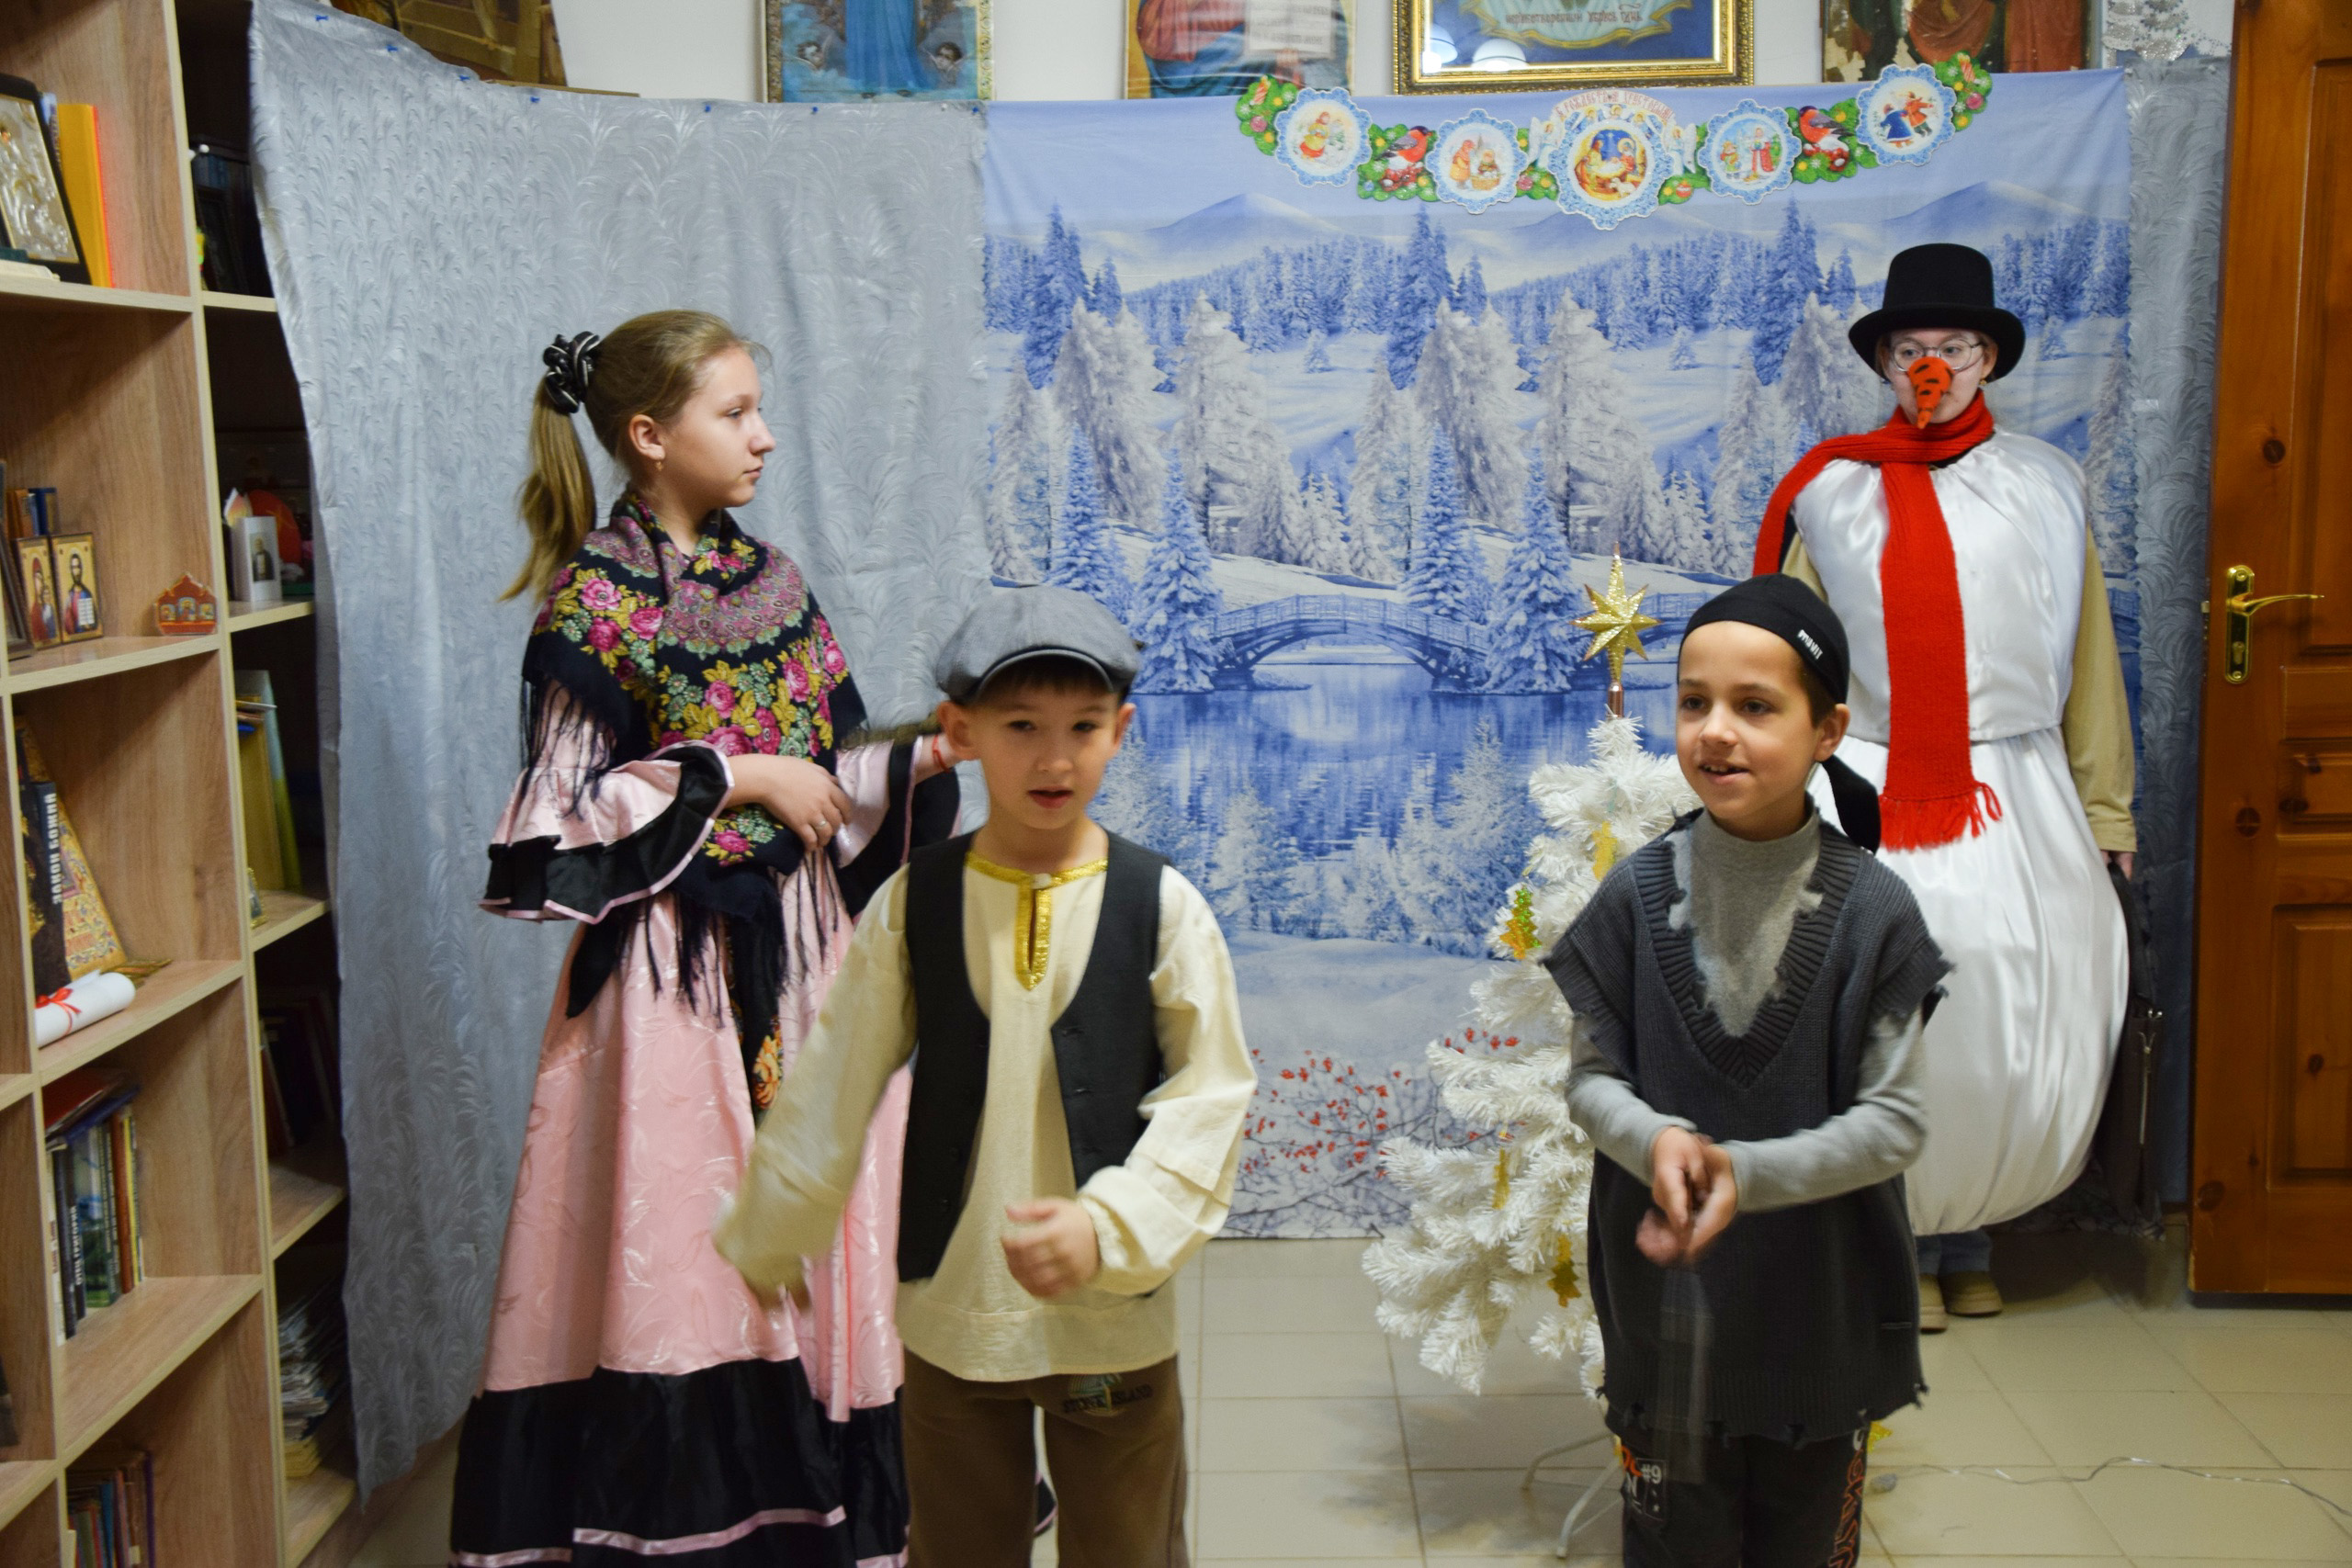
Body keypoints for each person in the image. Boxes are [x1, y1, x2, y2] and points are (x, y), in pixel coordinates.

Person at [452, 310, 962, 1566]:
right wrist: (730, 776)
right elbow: (549, 832)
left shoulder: (773, 581)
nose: (764, 436)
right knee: (691, 1250)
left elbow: (825, 782)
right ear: (648, 434)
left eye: (756, 409)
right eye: (734, 413)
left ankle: (827, 1504)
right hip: (672, 987)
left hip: (800, 962)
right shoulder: (599, 600)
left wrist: (923, 756)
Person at [716, 586, 1257, 1567]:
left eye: (1083, 727)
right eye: (1021, 727)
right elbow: (836, 1075)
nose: (1055, 759)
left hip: (1109, 1338)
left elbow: (1210, 1096)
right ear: (961, 732)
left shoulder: (1164, 907)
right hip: (955, 1325)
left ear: (1121, 730)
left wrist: (1110, 1225)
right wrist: (774, 1224)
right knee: (960, 1547)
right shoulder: (914, 903)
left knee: (1128, 1549)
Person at [1753, 242, 2132, 1330]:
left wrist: (2106, 807)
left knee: (2005, 1008)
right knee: (1889, 1012)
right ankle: (1893, 1242)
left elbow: (2089, 665)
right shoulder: (1832, 495)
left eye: (1953, 346)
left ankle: (1972, 1236)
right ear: (1884, 363)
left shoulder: (2046, 488)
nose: (1932, 366)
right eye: (1910, 348)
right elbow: (1789, 660)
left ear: (1987, 359)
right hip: (1872, 783)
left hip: (2014, 786)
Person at [1548, 574, 1946, 1568]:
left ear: (1827, 730)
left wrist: (1746, 1173)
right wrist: (1657, 1140)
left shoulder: (1876, 913)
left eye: (1755, 706)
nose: (1715, 731)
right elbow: (1590, 1081)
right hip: (1669, 1328)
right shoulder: (1633, 896)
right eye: (1694, 701)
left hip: (1821, 1324)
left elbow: (1895, 1121)